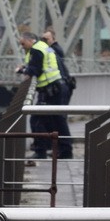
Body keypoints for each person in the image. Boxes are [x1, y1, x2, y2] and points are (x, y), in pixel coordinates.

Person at [16, 30, 72, 160]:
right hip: (55, 87)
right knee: (56, 120)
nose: (22, 46)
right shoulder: (43, 47)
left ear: (30, 40)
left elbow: (36, 70)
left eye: (23, 43)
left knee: (38, 119)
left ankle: (44, 151)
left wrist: (22, 70)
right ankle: (62, 150)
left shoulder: (36, 50)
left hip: (52, 89)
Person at [42, 28, 74, 105]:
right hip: (62, 84)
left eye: (47, 39)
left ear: (53, 38)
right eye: (43, 39)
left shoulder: (53, 50)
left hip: (60, 85)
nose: (45, 41)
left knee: (59, 110)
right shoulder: (55, 48)